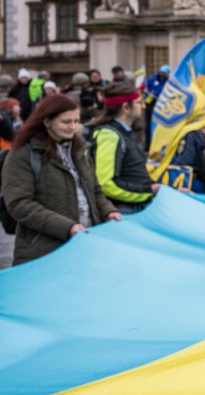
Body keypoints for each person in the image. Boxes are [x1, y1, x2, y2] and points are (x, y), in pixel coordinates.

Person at [1, 94, 120, 265]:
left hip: (87, 244)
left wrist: (109, 211)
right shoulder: (23, 153)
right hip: (44, 253)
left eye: (76, 121)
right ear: (47, 121)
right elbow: (20, 204)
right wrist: (67, 227)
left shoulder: (80, 150)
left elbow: (94, 191)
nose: (73, 127)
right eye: (66, 122)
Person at [90, 81, 159, 214]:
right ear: (126, 107)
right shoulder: (109, 135)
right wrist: (148, 191)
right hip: (124, 210)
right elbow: (105, 184)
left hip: (135, 206)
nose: (143, 106)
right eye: (139, 103)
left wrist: (155, 187)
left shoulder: (126, 131)